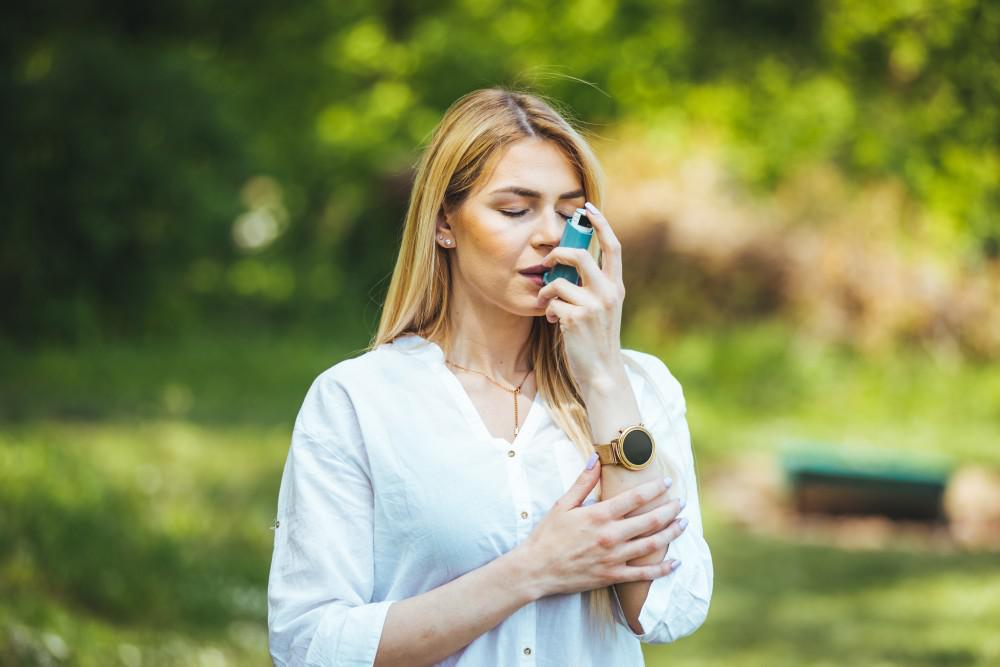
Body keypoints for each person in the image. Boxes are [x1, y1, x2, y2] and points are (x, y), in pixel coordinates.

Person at [266, 87, 713, 666]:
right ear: (444, 223)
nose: (551, 235)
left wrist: (603, 376)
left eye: (569, 211)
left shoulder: (640, 388)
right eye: (514, 209)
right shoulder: (357, 400)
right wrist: (531, 571)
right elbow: (310, 646)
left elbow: (666, 609)